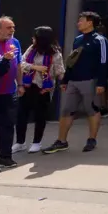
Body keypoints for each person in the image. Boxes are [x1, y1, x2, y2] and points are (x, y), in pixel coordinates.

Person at [43, 12, 108, 154]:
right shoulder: (78, 39)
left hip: (90, 80)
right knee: (67, 110)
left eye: (81, 20)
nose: (78, 23)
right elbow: (71, 61)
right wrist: (66, 79)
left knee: (92, 110)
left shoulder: (100, 40)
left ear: (90, 22)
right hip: (73, 81)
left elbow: (104, 62)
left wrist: (101, 83)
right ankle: (61, 141)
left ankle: (91, 139)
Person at [14, 26, 65, 154]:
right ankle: (20, 143)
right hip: (27, 86)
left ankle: (37, 142)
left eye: (35, 37)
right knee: (21, 116)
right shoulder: (31, 49)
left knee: (40, 116)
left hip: (43, 89)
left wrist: (64, 82)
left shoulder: (55, 54)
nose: (33, 39)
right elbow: (21, 63)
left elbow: (60, 71)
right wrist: (35, 67)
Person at [0, 17, 21, 168]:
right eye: (9, 27)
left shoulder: (14, 43)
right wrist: (4, 60)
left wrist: (21, 84)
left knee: (8, 125)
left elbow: (18, 66)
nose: (12, 30)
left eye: (13, 27)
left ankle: (5, 157)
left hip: (9, 92)